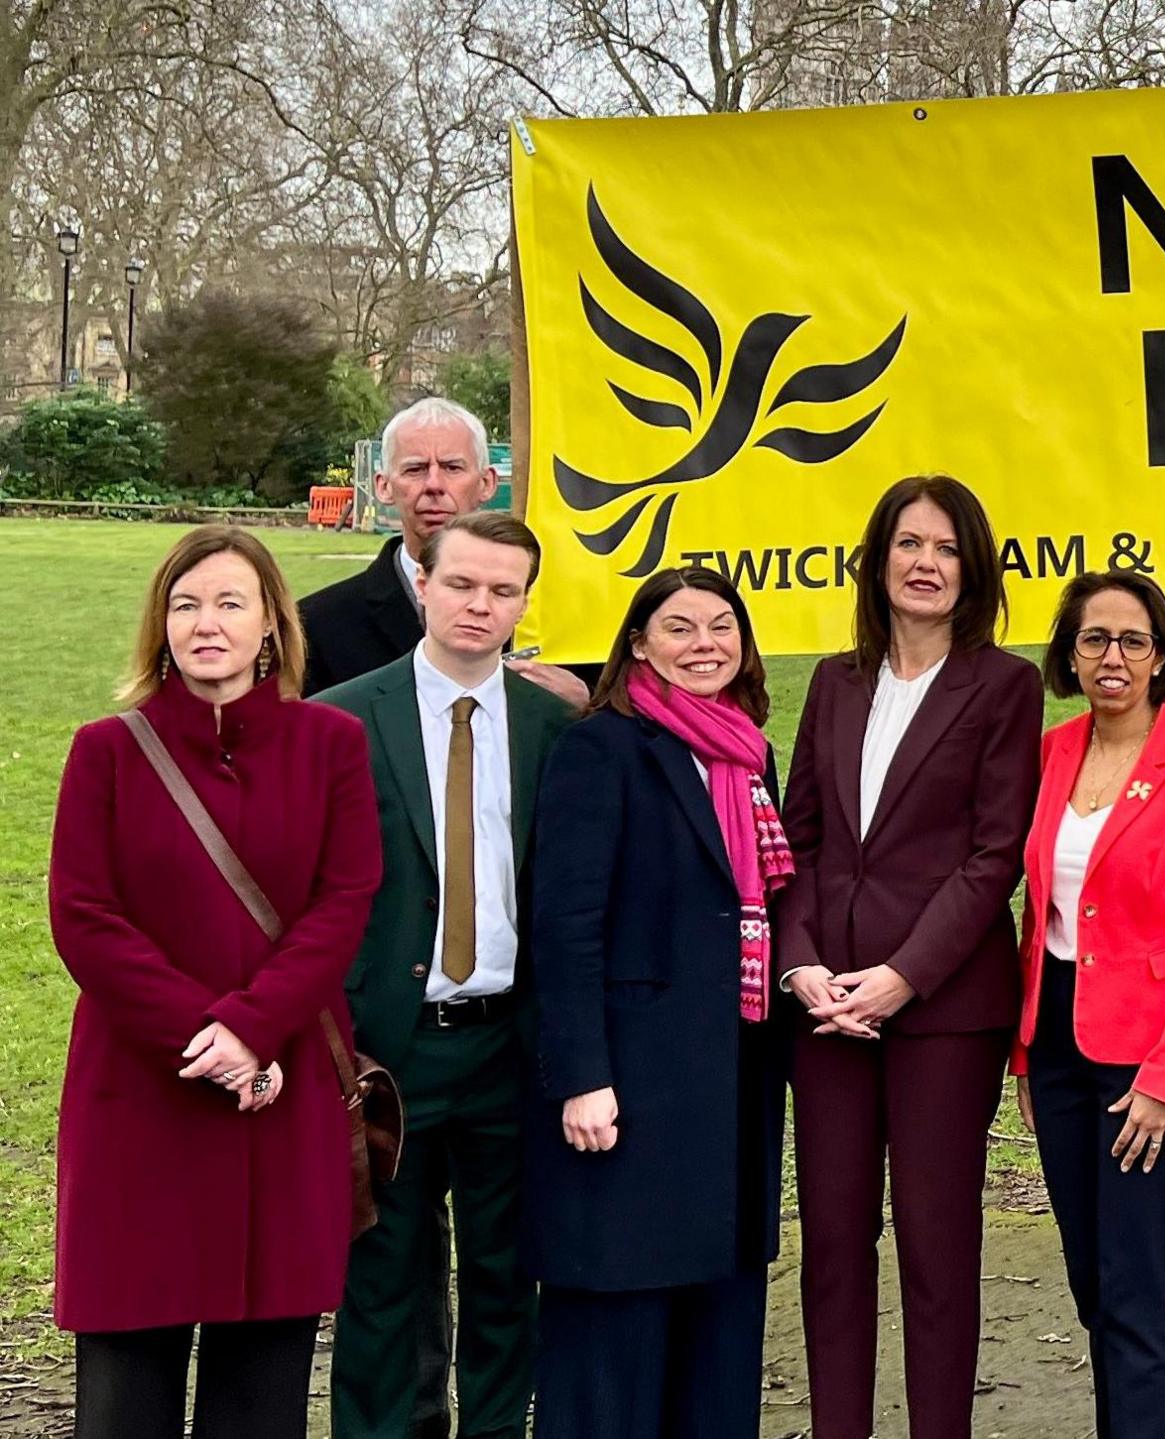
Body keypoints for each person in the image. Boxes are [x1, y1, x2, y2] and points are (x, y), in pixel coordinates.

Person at [49, 524, 383, 1437]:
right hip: (142, 1095)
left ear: (271, 625)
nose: (207, 623)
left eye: (231, 602)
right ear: (161, 626)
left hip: (280, 1094)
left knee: (264, 1372)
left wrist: (255, 1028)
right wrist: (207, 1034)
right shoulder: (106, 751)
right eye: (186, 604)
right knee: (127, 1374)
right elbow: (84, 914)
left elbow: (343, 897)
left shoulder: (332, 743)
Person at [772, 476, 1042, 1439]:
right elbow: (793, 840)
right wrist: (802, 965)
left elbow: (992, 856)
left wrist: (902, 976)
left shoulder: (1004, 684)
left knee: (936, 1247)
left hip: (942, 1010)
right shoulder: (834, 680)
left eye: (947, 548)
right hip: (827, 1008)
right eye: (909, 543)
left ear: (973, 570)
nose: (925, 563)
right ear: (878, 558)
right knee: (833, 1245)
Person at [316, 511, 579, 1439]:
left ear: (523, 602)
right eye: (462, 583)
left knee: (508, 1270)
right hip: (390, 1046)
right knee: (383, 1276)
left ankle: (500, 1426)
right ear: (420, 582)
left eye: (503, 590)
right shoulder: (342, 717)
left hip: (511, 1042)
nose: (481, 604)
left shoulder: (556, 725)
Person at [522, 568, 793, 1438]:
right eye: (679, 628)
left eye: (722, 625)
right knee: (617, 1331)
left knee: (717, 1329)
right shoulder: (602, 747)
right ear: (638, 642)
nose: (705, 643)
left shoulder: (749, 752)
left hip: (732, 1081)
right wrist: (581, 1076)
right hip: (630, 1088)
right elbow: (565, 925)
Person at [1014, 569, 1165, 1439]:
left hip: (1150, 1054)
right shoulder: (1052, 752)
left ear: (1161, 657)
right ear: (1069, 655)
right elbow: (1034, 914)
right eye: (1094, 639)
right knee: (1090, 1282)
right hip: (1060, 1042)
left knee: (1137, 1286)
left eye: (1132, 640)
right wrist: (1026, 1050)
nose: (1113, 657)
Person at [303, 396, 587, 707]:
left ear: (487, 483)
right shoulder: (316, 625)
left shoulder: (565, 619)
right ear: (383, 486)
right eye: (415, 469)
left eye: (452, 467)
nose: (434, 484)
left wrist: (587, 704)